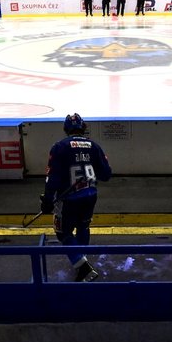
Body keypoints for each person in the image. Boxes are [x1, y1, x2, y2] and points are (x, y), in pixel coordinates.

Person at [40, 113, 113, 283]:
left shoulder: (60, 147)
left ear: (66, 129)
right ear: (84, 127)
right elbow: (106, 174)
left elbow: (53, 177)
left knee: (62, 232)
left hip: (69, 199)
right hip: (90, 195)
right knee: (83, 226)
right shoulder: (94, 146)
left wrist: (48, 199)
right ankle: (82, 258)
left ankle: (83, 267)